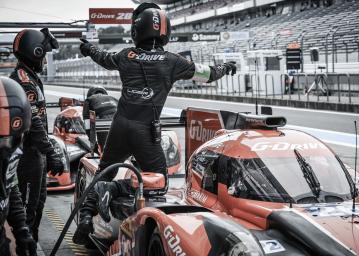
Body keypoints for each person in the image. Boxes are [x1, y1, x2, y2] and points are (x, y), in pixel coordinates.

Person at [73, 2, 237, 244]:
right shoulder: (173, 61)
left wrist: (87, 48)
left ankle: (86, 217)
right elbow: (208, 74)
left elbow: (103, 58)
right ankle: (116, 191)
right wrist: (226, 67)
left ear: (136, 30)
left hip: (120, 125)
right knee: (159, 179)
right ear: (165, 32)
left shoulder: (126, 54)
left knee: (103, 171)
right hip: (145, 131)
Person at [10, 28, 64, 242]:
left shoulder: (27, 76)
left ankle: (32, 244)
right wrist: (52, 153)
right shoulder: (24, 81)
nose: (44, 59)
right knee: (27, 211)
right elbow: (36, 124)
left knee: (37, 206)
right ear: (36, 52)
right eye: (44, 53)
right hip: (29, 157)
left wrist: (47, 153)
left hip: (35, 155)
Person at [0, 77, 37, 256]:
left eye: (13, 140)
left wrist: (22, 230)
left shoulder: (12, 151)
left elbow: (10, 185)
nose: (8, 149)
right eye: (2, 141)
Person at [83, 86, 118, 151]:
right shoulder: (114, 98)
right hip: (119, 123)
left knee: (103, 150)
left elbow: (87, 122)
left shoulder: (88, 100)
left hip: (103, 124)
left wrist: (93, 143)